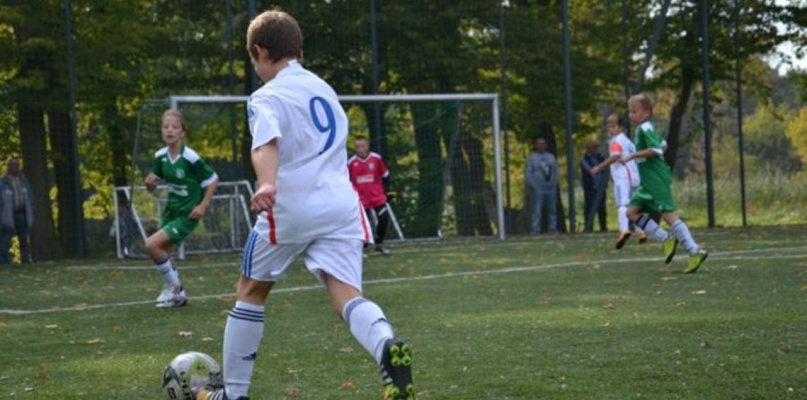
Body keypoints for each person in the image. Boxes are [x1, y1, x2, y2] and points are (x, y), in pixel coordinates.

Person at [193, 10, 414, 400]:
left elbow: (265, 143)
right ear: (299, 51)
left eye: (252, 59)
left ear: (261, 52)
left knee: (250, 291)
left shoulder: (267, 96)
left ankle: (234, 394)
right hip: (341, 207)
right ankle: (385, 344)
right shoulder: (323, 89)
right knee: (346, 295)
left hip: (292, 206)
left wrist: (266, 182)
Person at [621, 93, 707, 273]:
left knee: (668, 216)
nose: (630, 115)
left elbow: (656, 149)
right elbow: (664, 144)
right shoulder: (643, 128)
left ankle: (695, 251)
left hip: (657, 180)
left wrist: (632, 155)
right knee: (631, 212)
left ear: (646, 113)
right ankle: (666, 238)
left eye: (634, 111)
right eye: (630, 111)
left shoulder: (645, 127)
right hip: (647, 183)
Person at [144, 109, 219, 308]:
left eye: (174, 127)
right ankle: (176, 293)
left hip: (187, 214)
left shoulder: (191, 157)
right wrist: (150, 184)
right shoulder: (160, 157)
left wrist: (202, 206)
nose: (169, 130)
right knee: (162, 252)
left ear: (182, 132)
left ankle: (175, 289)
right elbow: (153, 185)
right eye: (166, 127)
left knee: (151, 245)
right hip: (171, 211)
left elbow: (213, 180)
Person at [590, 114, 647, 248]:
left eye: (614, 126)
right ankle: (641, 232)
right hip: (634, 176)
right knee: (634, 205)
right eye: (609, 127)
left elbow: (615, 156)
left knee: (622, 204)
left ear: (621, 127)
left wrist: (599, 167)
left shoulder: (616, 141)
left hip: (623, 177)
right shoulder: (628, 142)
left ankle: (624, 230)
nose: (611, 129)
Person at [348, 136, 392, 255]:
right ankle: (364, 247)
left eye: (363, 146)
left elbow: (385, 175)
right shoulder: (351, 163)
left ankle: (379, 244)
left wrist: (389, 192)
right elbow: (347, 181)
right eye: (357, 147)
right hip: (361, 200)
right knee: (364, 224)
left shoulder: (376, 159)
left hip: (377, 198)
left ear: (367, 146)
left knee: (384, 218)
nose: (360, 149)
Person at [0, 158, 34, 264]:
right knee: (6, 239)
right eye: (13, 166)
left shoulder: (23, 181)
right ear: (9, 167)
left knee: (24, 239)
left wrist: (31, 208)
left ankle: (26, 260)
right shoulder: (2, 182)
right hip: (8, 214)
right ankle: (4, 261)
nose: (16, 168)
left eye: (17, 165)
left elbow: (30, 196)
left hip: (22, 213)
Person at [525, 137, 559, 234]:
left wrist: (555, 182)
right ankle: (535, 230)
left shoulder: (551, 157)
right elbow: (528, 173)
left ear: (546, 145)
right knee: (536, 210)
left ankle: (552, 229)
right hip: (538, 188)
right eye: (538, 144)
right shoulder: (532, 158)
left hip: (551, 187)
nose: (541, 146)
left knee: (552, 209)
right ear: (536, 146)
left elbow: (556, 170)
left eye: (542, 144)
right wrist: (534, 185)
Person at [580, 140, 608, 233]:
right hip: (590, 187)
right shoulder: (584, 158)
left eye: (596, 147)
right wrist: (597, 169)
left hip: (601, 187)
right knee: (589, 207)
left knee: (602, 208)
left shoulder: (600, 158)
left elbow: (606, 167)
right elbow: (589, 169)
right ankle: (589, 227)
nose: (596, 149)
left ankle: (603, 227)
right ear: (588, 148)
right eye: (594, 147)